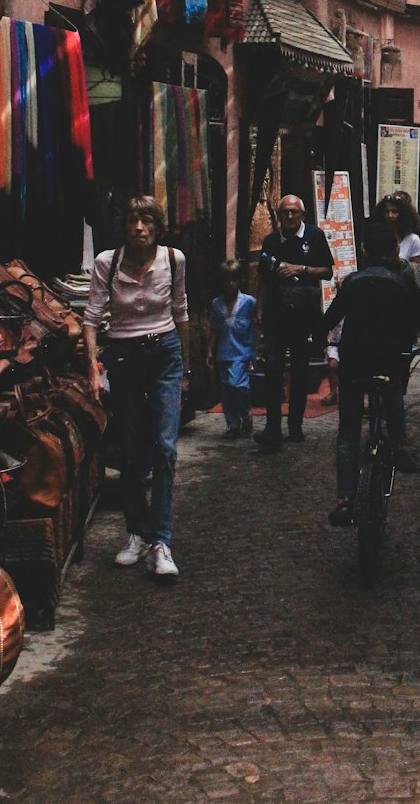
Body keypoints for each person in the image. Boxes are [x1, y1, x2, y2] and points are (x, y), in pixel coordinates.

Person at [84, 196, 189, 582]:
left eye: (146, 221)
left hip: (164, 353)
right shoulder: (106, 263)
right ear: (125, 226)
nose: (139, 228)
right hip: (124, 356)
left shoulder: (174, 260)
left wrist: (188, 368)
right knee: (129, 451)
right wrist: (94, 370)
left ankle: (161, 540)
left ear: (158, 228)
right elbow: (92, 318)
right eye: (133, 221)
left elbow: (181, 312)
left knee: (164, 447)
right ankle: (136, 532)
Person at [318, 220, 420, 526]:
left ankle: (345, 499)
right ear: (395, 249)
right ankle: (399, 445)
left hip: (353, 363)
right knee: (393, 390)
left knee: (348, 433)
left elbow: (330, 319)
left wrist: (316, 337)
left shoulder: (353, 283)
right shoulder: (403, 284)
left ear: (364, 251)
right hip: (388, 359)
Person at [256, 194, 335, 450]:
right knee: (272, 368)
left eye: (294, 213)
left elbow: (327, 270)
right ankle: (272, 428)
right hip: (276, 315)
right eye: (285, 213)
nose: (289, 217)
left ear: (302, 215)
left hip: (304, 315)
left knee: (300, 369)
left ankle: (295, 425)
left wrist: (300, 269)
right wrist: (259, 309)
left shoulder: (314, 236)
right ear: (279, 216)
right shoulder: (270, 240)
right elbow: (263, 278)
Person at [207, 259, 257, 439]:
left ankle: (245, 414)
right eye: (227, 280)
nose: (230, 284)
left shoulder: (249, 302)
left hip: (242, 351)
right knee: (226, 389)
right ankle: (233, 424)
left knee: (238, 385)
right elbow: (214, 327)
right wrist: (210, 350)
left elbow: (255, 326)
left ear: (240, 280)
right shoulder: (217, 304)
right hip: (223, 352)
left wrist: (255, 351)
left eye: (234, 280)